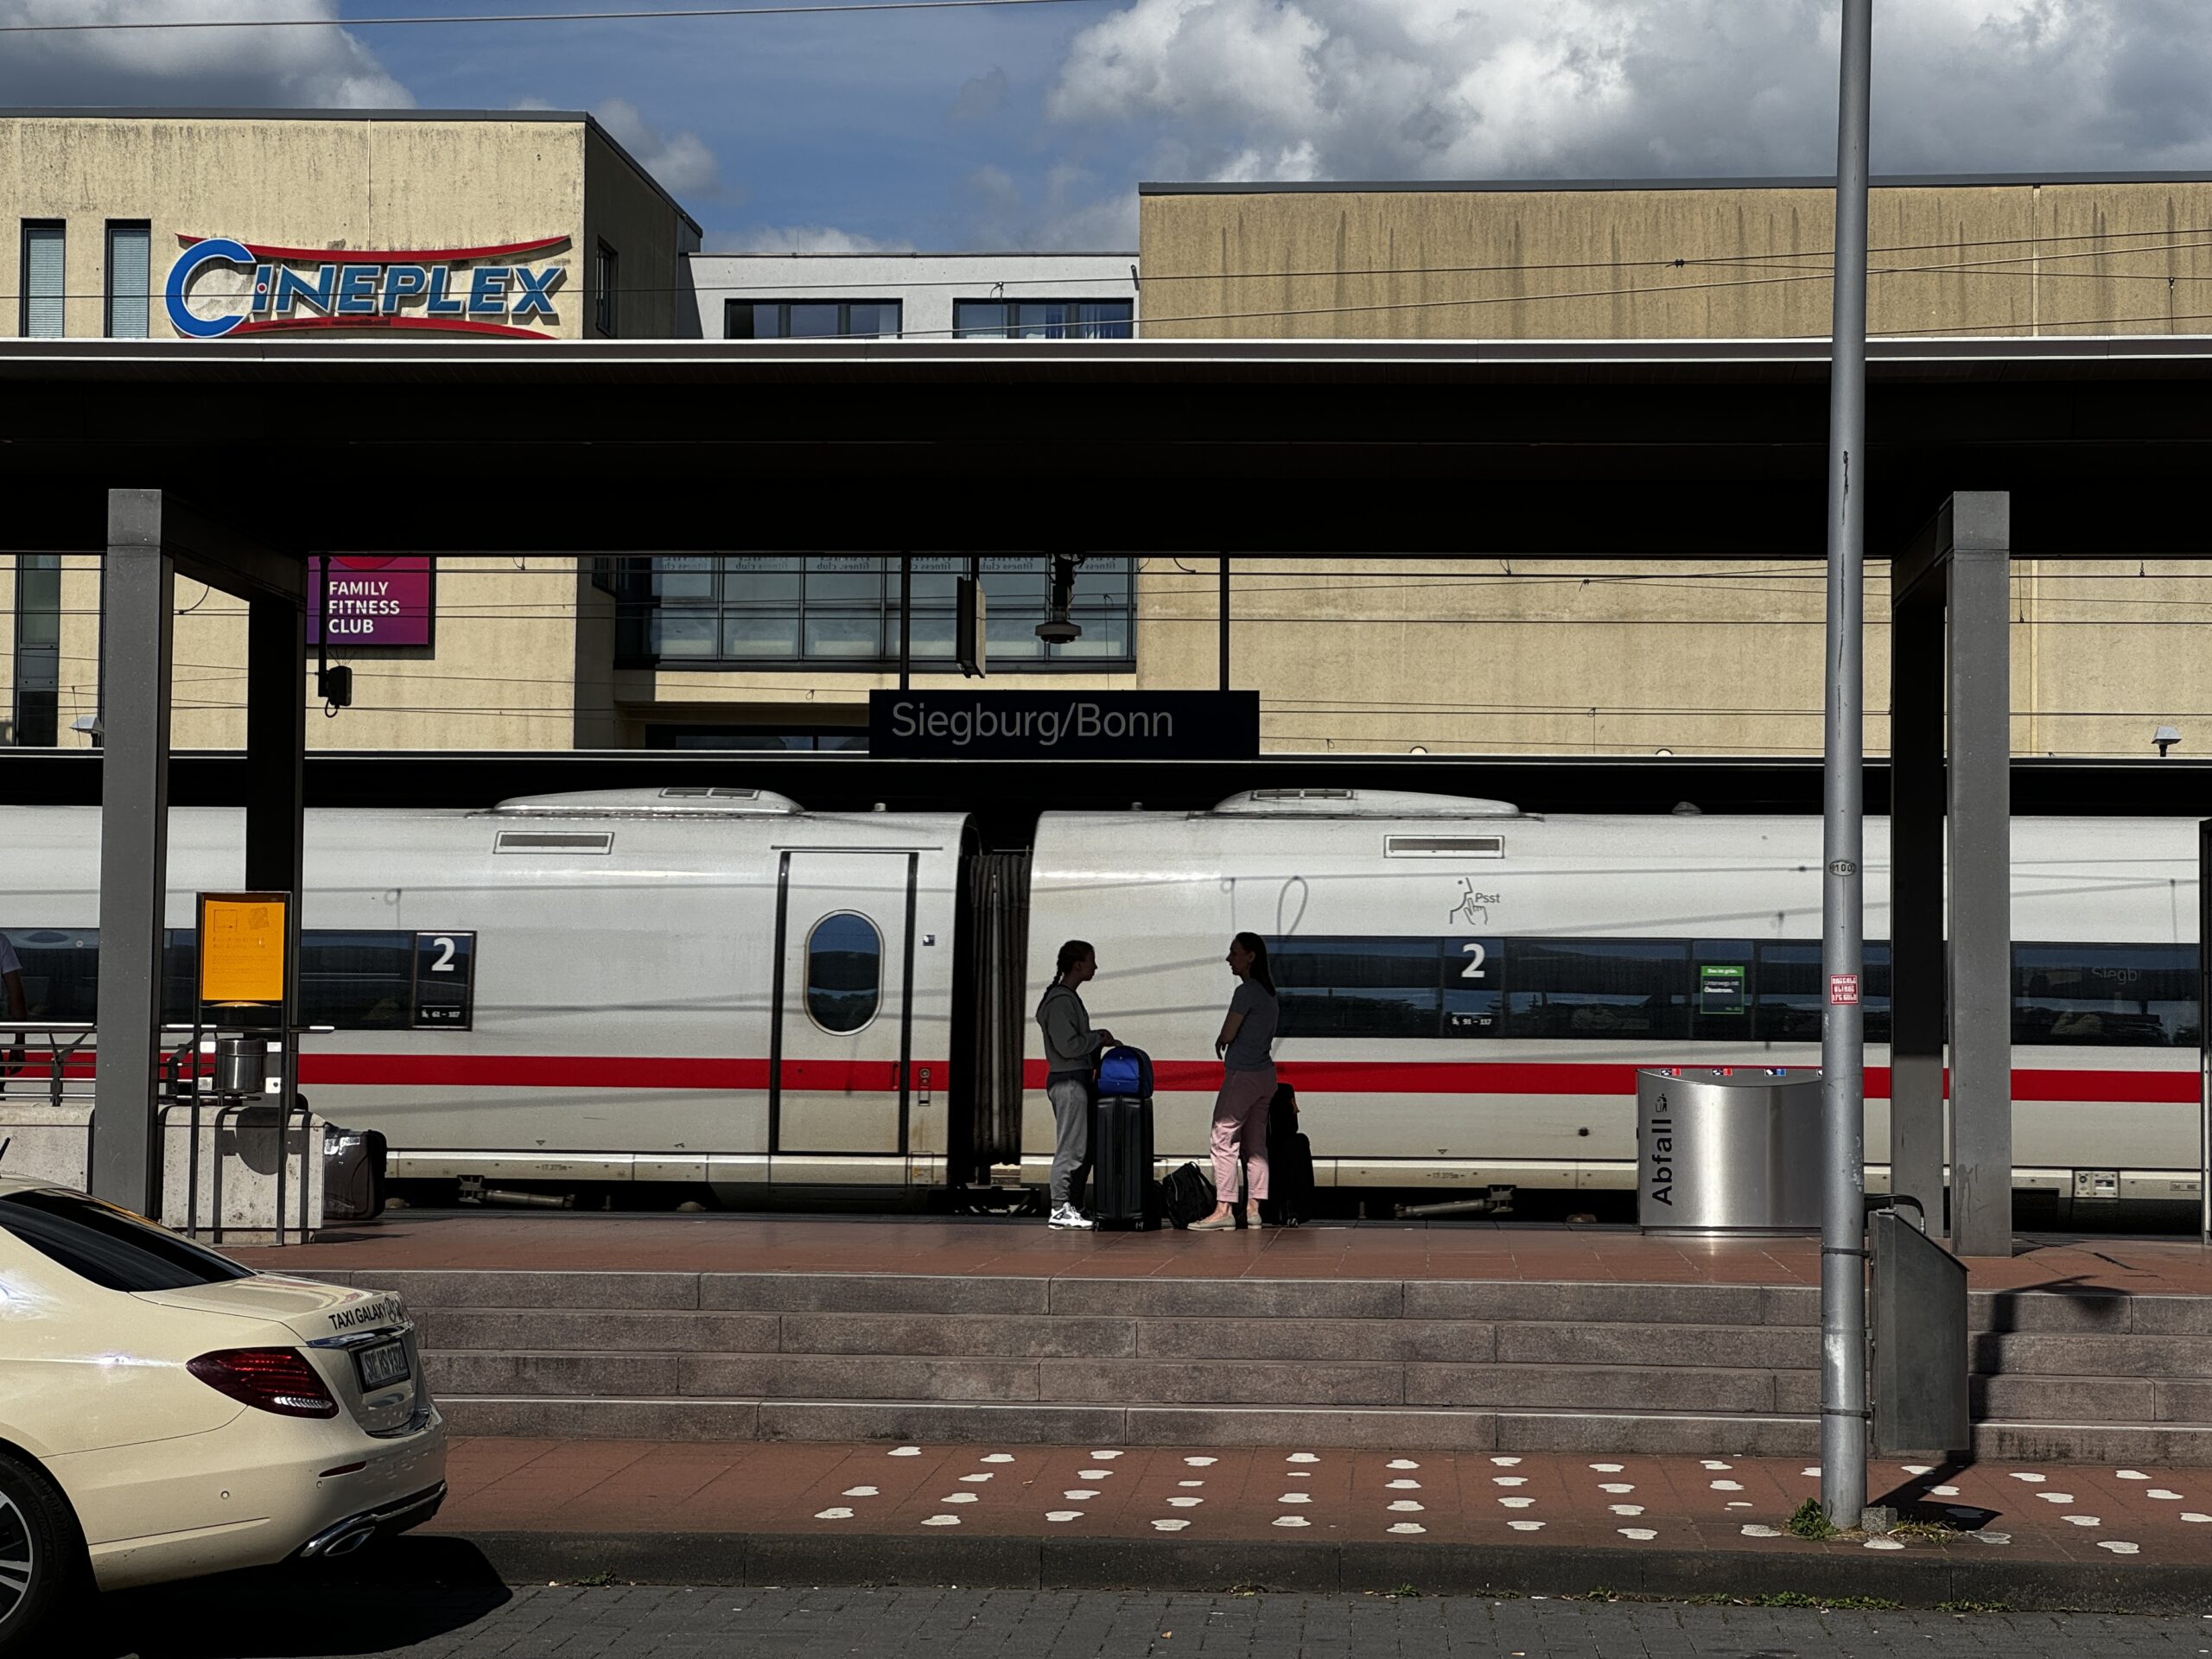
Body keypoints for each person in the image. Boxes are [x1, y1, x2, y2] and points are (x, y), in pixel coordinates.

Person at [1192, 931, 1280, 1231]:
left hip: (1243, 1075)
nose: (1229, 959)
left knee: (1223, 1136)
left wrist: (1221, 1039)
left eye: (1234, 952)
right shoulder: (1269, 994)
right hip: (1267, 1075)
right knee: (1255, 1145)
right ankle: (1254, 1209)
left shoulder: (1247, 992)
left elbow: (1229, 1034)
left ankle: (1224, 1208)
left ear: (1250, 956)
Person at [1035, 939, 1116, 1230]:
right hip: (1069, 1081)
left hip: (1077, 1079)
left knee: (1083, 1147)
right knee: (1071, 1148)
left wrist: (1096, 1038)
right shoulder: (1060, 1001)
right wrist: (1098, 1038)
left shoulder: (1067, 998)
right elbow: (1068, 1046)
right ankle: (1059, 1207)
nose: (1095, 966)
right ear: (1078, 964)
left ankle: (1074, 1204)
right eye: (1092, 960)